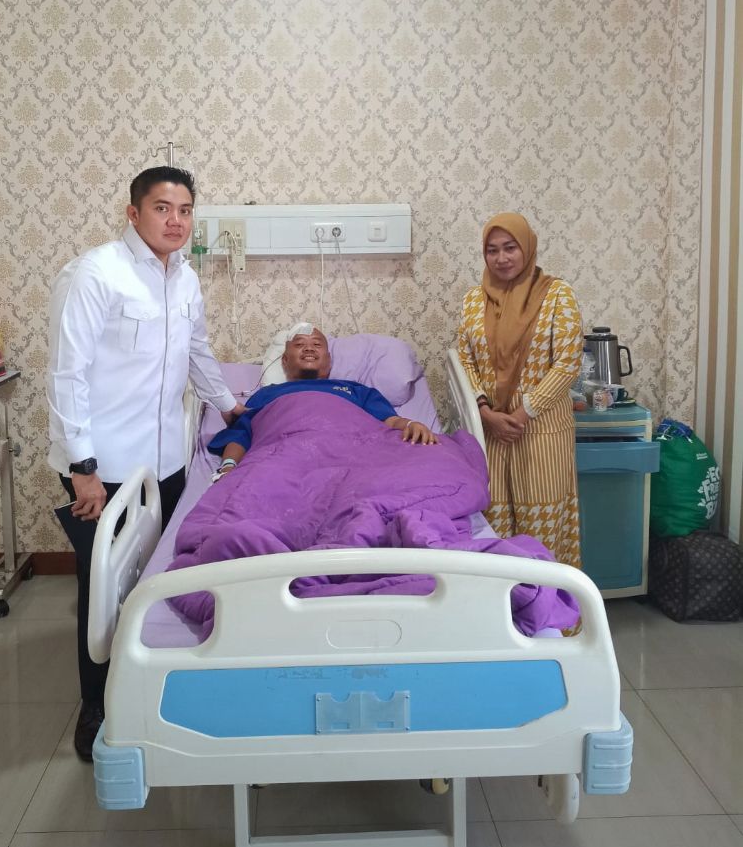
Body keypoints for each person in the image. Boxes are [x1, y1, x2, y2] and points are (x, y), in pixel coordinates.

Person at [47, 165, 244, 761]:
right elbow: (67, 373)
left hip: (164, 460)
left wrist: (230, 408)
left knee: (156, 577)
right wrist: (82, 466)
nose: (175, 221)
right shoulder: (95, 274)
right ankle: (97, 706)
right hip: (103, 464)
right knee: (103, 588)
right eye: (162, 208)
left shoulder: (185, 278)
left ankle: (154, 688)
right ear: (133, 213)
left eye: (184, 210)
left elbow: (197, 352)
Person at [457, 212, 582, 567]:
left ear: (526, 248)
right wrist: (485, 412)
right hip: (491, 433)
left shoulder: (557, 295)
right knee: (494, 531)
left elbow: (567, 362)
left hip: (541, 432)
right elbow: (465, 360)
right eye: (492, 250)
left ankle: (548, 604)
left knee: (542, 532)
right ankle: (503, 605)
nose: (501, 258)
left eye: (510, 248)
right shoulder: (473, 301)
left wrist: (524, 412)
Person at [209, 324, 437, 475]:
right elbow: (243, 433)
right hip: (285, 460)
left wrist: (411, 424)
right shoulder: (267, 394)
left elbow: (388, 421)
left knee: (436, 462)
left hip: (352, 459)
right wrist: (228, 467)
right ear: (285, 361)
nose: (309, 348)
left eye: (317, 344)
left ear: (328, 361)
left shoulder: (355, 390)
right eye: (299, 344)